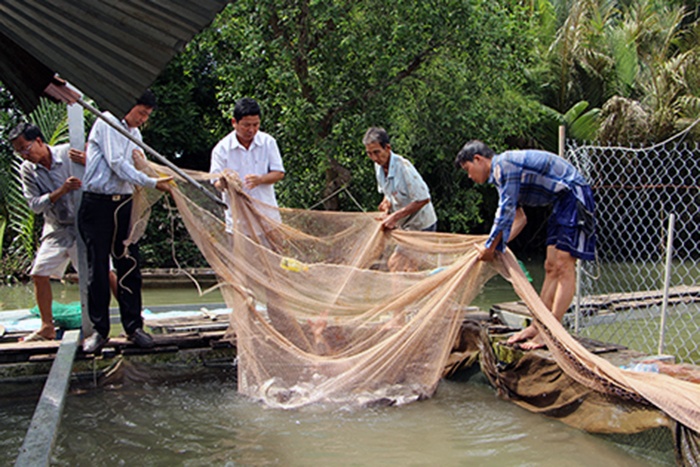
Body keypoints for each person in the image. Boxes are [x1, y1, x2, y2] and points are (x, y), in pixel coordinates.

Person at [455, 140, 595, 350]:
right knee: (549, 266)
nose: (469, 176)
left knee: (564, 265)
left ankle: (553, 332)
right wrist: (495, 247)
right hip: (560, 202)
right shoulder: (501, 178)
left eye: (468, 169)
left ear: (478, 159)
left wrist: (490, 247)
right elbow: (520, 219)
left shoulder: (504, 165)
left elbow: (506, 213)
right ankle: (538, 325)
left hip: (573, 196)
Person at [78, 90, 172, 353]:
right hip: (98, 203)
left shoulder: (135, 134)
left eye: (147, 115)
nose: (143, 119)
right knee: (98, 268)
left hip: (123, 204)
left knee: (128, 264)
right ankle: (99, 331)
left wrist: (158, 175)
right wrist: (153, 183)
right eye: (141, 112)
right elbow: (118, 164)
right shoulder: (107, 121)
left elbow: (138, 164)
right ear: (127, 106)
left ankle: (133, 327)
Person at [8, 123, 117, 342]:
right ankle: (47, 326)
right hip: (57, 227)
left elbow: (105, 172)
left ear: (39, 141)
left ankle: (132, 318)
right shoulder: (27, 169)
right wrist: (60, 191)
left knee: (105, 271)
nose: (24, 155)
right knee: (38, 273)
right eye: (19, 151)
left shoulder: (68, 154)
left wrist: (89, 162)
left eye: (25, 148)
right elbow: (35, 205)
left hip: (84, 224)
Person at [363, 127, 437, 272]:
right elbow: (388, 193)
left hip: (421, 225)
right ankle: (411, 293)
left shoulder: (403, 168)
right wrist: (386, 205)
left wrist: (394, 217)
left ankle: (409, 294)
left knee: (397, 264)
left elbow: (424, 199)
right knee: (404, 267)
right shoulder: (378, 168)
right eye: (369, 154)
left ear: (388, 148)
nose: (374, 158)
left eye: (377, 152)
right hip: (406, 226)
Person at [210, 97, 285, 229]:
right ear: (234, 122)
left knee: (274, 250)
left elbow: (279, 173)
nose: (251, 130)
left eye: (255, 125)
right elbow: (216, 182)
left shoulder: (268, 142)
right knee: (241, 250)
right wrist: (227, 182)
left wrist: (261, 179)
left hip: (268, 217)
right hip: (238, 221)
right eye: (246, 125)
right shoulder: (222, 149)